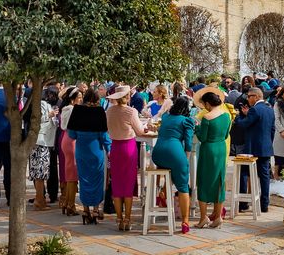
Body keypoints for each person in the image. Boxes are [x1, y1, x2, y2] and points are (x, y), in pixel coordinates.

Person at [105, 85, 147, 230]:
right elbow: (140, 131)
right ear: (128, 96)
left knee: (117, 185)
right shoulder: (131, 111)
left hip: (115, 147)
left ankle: (119, 218)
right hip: (128, 148)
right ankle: (127, 219)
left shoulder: (109, 111)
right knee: (128, 185)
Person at [152, 96, 196, 234]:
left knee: (166, 171)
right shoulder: (187, 121)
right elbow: (188, 143)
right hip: (174, 152)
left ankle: (162, 192)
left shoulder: (166, 117)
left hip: (157, 154)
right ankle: (185, 220)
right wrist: (185, 158)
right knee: (183, 187)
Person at [68, 88, 110, 224]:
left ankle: (85, 210)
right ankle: (96, 209)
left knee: (84, 180)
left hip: (81, 150)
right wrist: (109, 150)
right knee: (97, 180)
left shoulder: (77, 110)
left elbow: (71, 134)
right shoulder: (99, 112)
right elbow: (104, 136)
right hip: (96, 150)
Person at [235, 87, 276, 212]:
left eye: (249, 96)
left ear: (256, 96)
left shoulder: (255, 109)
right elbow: (272, 129)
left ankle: (243, 203)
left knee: (244, 174)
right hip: (265, 147)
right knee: (264, 176)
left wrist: (237, 117)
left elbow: (243, 124)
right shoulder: (269, 109)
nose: (248, 99)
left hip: (252, 148)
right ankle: (264, 204)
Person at [194, 89, 230, 228]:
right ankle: (218, 216)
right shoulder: (226, 116)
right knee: (219, 181)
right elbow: (226, 135)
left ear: (208, 103)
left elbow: (202, 138)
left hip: (209, 149)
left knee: (203, 181)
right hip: (221, 148)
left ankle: (203, 217)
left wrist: (197, 128)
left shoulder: (207, 118)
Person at [29, 88, 58, 211]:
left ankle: (40, 199)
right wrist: (49, 115)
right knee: (40, 174)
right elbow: (37, 120)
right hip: (40, 142)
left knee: (42, 173)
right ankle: (39, 200)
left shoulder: (44, 104)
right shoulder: (41, 104)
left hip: (44, 142)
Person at [57, 86, 82, 216]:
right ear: (73, 99)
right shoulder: (72, 109)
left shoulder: (65, 109)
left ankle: (67, 201)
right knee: (72, 174)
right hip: (72, 140)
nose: (81, 100)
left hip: (66, 139)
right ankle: (70, 205)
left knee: (69, 172)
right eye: (79, 98)